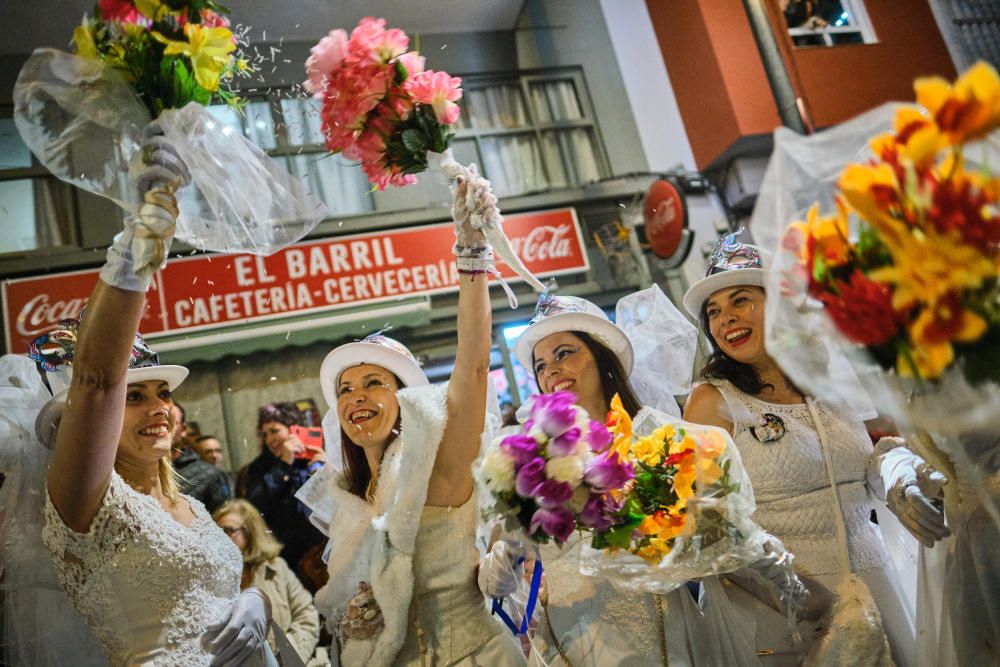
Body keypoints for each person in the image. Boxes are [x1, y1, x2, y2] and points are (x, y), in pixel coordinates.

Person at [32, 132, 274, 666]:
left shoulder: (188, 506)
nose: (159, 407)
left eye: (163, 393)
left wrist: (257, 600)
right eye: (134, 397)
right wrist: (137, 241)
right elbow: (97, 380)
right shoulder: (87, 501)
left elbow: (216, 596)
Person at [499, 292, 805, 666]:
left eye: (564, 353)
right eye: (541, 365)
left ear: (602, 356)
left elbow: (723, 538)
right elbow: (509, 572)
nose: (551, 371)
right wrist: (507, 554)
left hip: (662, 647)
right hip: (564, 651)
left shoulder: (668, 440)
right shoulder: (536, 462)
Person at [297, 173, 525, 666]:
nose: (357, 397)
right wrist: (356, 619)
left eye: (374, 383)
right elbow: (355, 596)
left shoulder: (438, 457)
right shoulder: (348, 497)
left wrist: (470, 255)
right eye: (345, 390)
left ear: (406, 399)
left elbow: (473, 366)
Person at [681, 234, 914, 665]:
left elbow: (875, 452)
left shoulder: (831, 375)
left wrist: (902, 474)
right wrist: (797, 596)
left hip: (879, 584)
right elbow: (704, 523)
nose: (725, 319)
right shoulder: (713, 402)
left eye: (740, 300)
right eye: (713, 312)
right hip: (788, 613)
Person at [214, 499, 327, 667]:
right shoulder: (210, 577)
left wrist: (283, 659)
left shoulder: (276, 569)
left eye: (229, 530)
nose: (222, 537)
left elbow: (306, 616)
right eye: (217, 530)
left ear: (251, 532)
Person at [236, 403, 326, 577]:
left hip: (318, 556)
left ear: (294, 430)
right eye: (264, 434)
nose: (269, 439)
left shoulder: (314, 460)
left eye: (274, 431)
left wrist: (323, 470)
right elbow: (254, 508)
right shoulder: (259, 467)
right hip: (281, 558)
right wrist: (283, 465)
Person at [172, 403, 232, 513]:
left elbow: (225, 518)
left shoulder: (210, 474)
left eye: (171, 423)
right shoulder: (142, 470)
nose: (163, 429)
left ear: (183, 429)